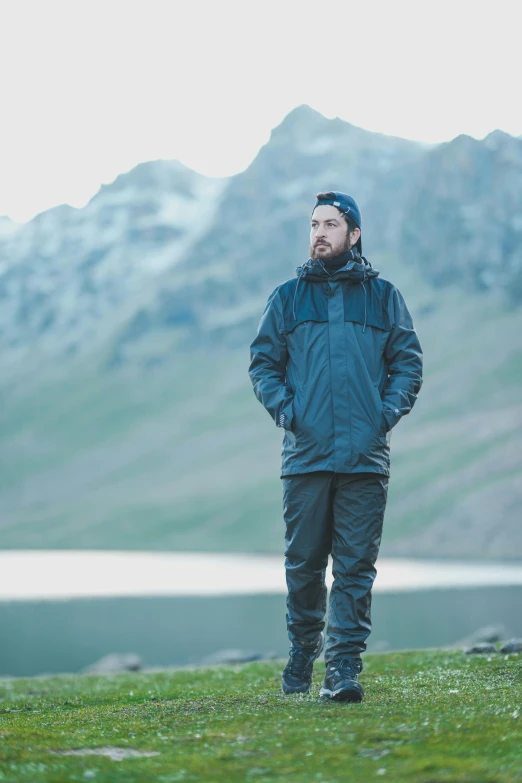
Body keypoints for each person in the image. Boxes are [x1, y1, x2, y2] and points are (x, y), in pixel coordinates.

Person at [248, 191, 423, 701]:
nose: (319, 233)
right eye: (313, 224)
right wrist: (287, 410)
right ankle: (304, 652)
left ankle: (343, 671)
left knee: (354, 571)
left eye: (330, 224)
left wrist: (385, 415)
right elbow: (263, 363)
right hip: (305, 457)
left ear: (355, 233)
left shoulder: (384, 297)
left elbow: (408, 362)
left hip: (365, 459)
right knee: (303, 567)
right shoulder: (286, 299)